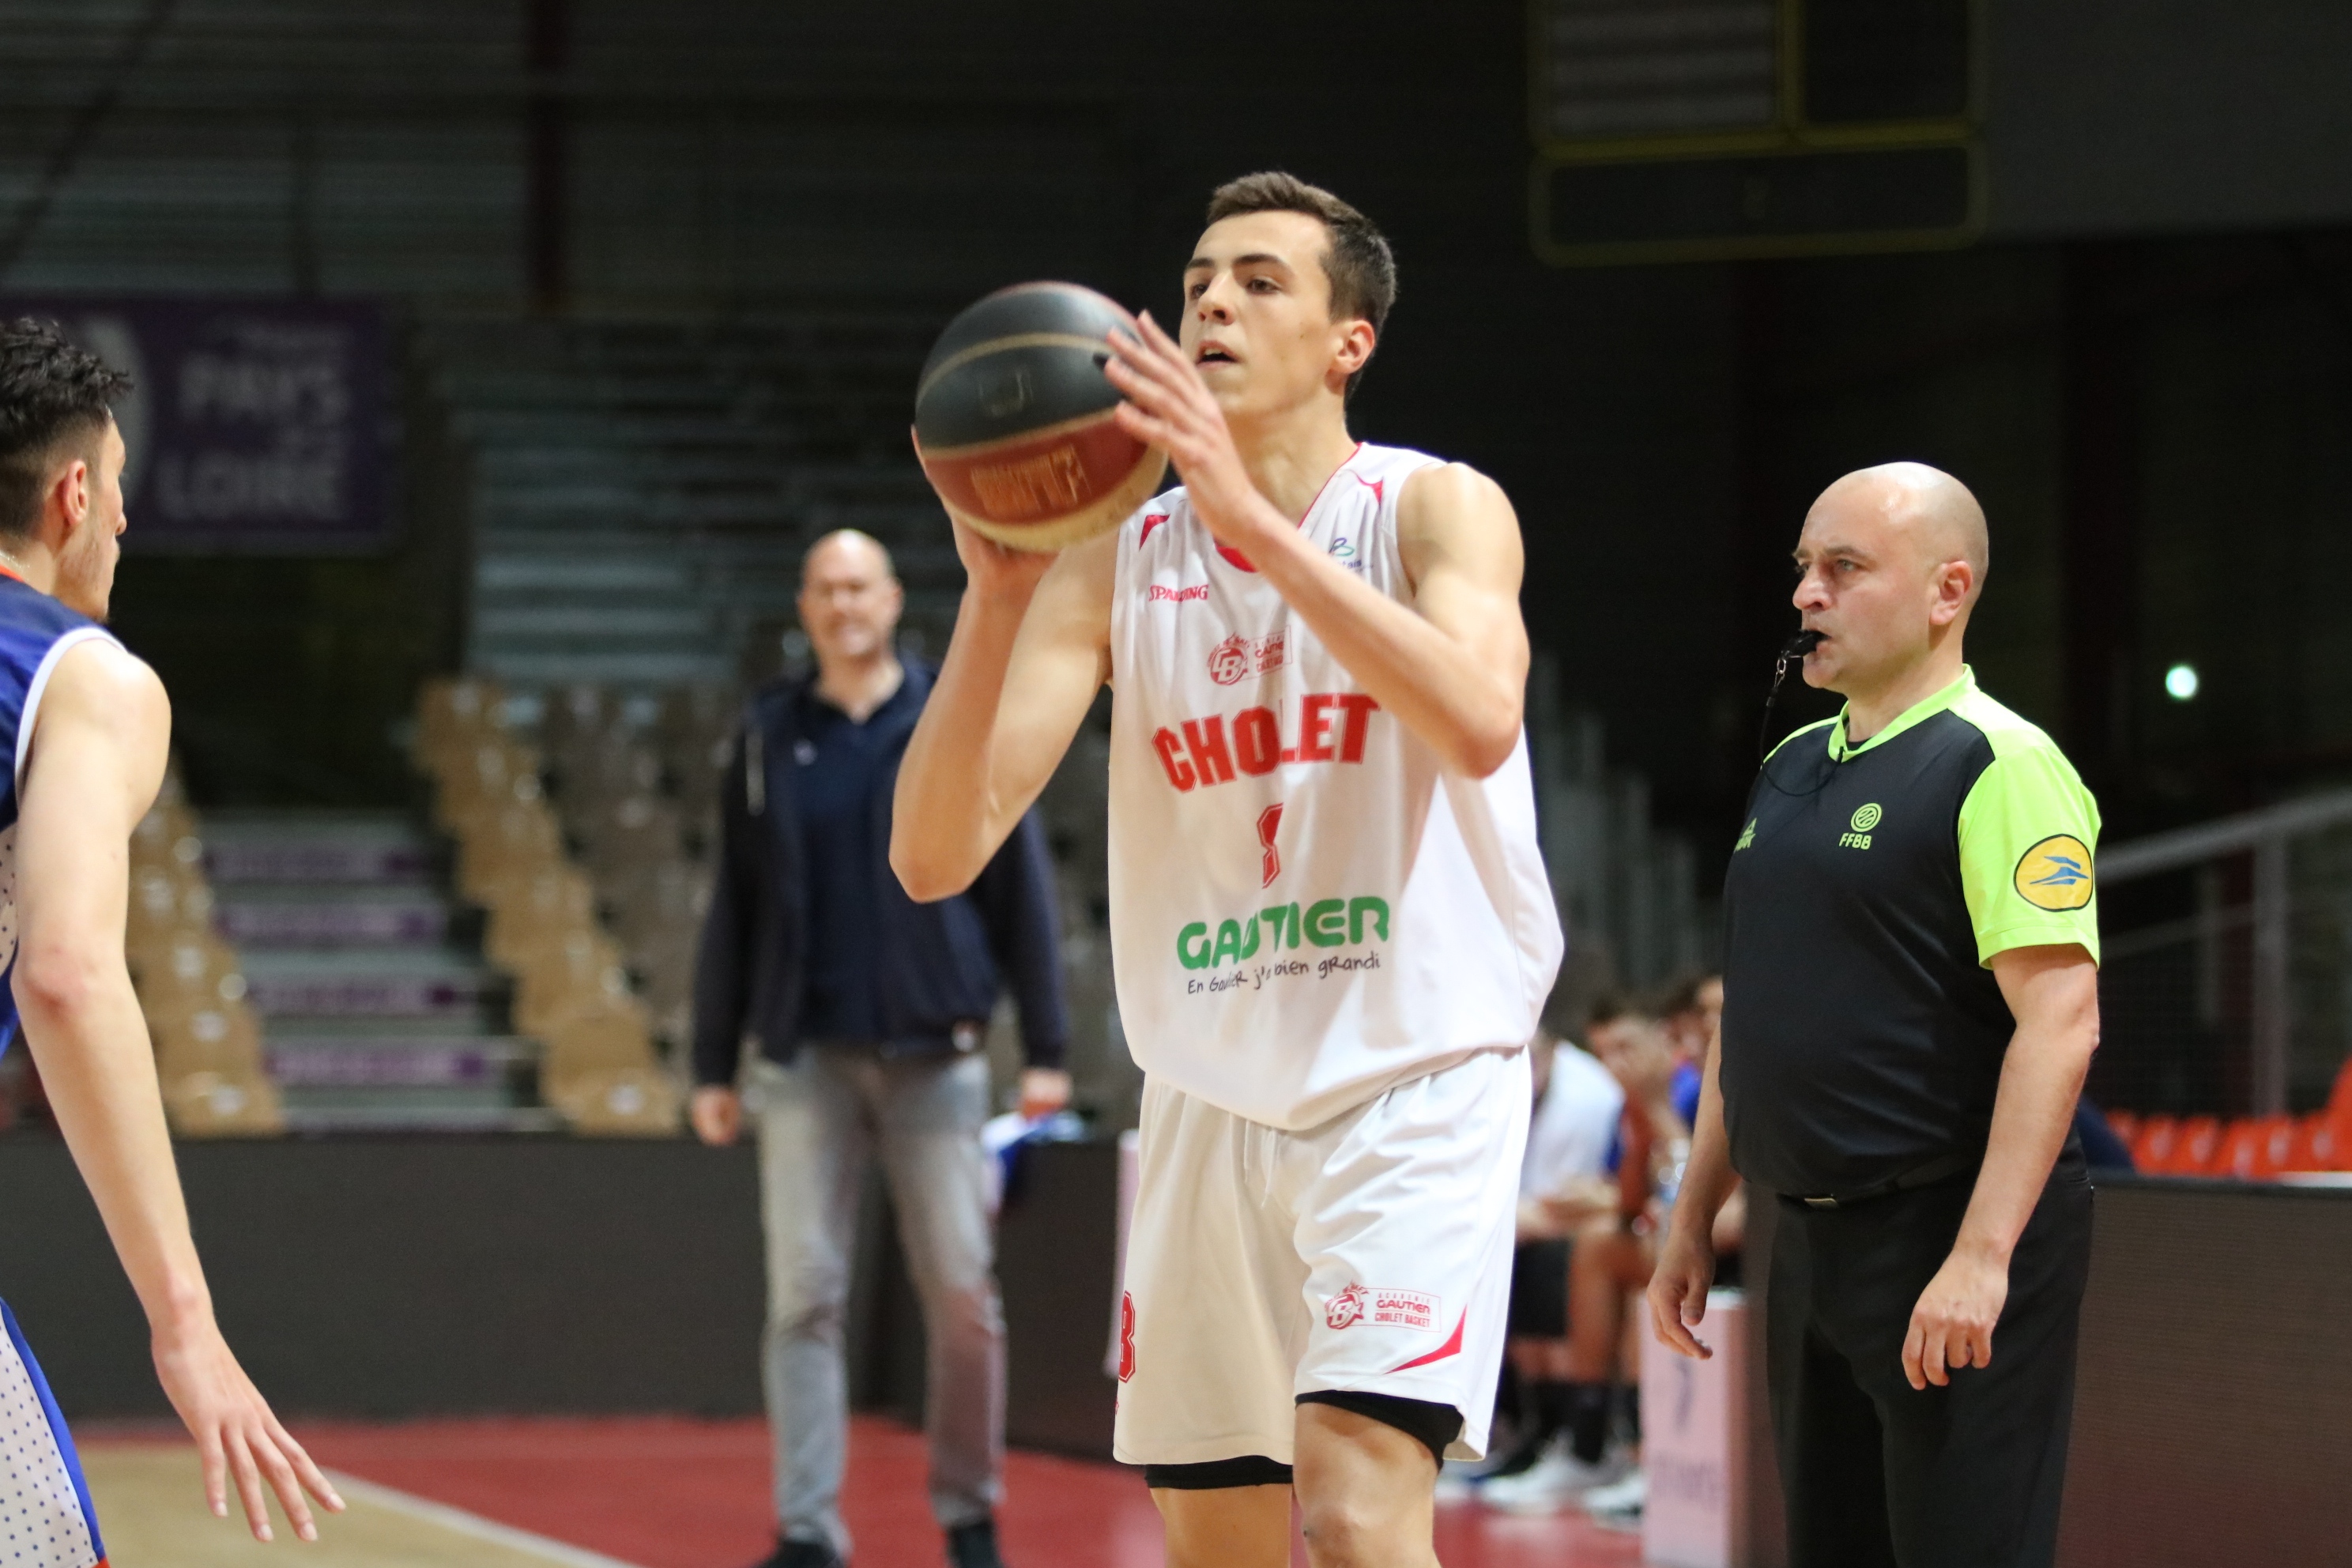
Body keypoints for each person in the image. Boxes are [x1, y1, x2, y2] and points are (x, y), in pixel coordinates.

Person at [892, 172, 1562, 1568]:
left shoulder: (1435, 510)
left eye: (1262, 281)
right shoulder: (1111, 564)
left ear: (1347, 343)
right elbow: (932, 853)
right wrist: (996, 594)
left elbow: (1479, 718)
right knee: (1220, 1541)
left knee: (1356, 1501)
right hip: (1208, 1093)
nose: (1213, 300)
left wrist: (1258, 528)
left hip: (1413, 1076)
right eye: (1199, 279)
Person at [1650, 463, 2101, 1568]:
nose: (1807, 595)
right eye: (1804, 569)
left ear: (1948, 591)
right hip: (1800, 1239)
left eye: (1843, 569)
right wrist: (1692, 1214)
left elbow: (2062, 1022)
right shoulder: (1792, 766)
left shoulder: (2002, 764)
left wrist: (1982, 1258)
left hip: (1941, 1231)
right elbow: (1746, 1017)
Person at [0, 318, 343, 1555]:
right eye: (124, 492)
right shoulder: (84, 677)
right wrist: (183, 1319)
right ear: (73, 493)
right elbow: (68, 972)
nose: (127, 526)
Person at [690, 530, 1072, 1568]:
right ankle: (808, 1530)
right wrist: (710, 1065)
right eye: (824, 587)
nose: (843, 603)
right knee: (804, 1297)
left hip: (936, 1056)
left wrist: (1046, 1046)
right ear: (805, 607)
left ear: (893, 598)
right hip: (804, 1057)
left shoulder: (949, 710)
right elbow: (735, 904)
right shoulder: (769, 733)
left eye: (859, 585)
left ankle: (969, 1512)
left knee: (961, 1295)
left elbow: (1018, 885)